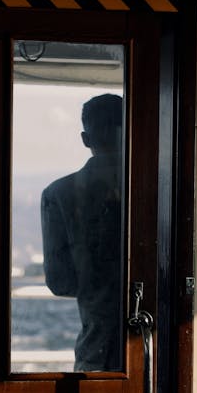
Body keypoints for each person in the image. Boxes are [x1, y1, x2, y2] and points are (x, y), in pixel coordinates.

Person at [41, 93, 123, 372]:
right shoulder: (161, 188)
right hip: (159, 350)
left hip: (97, 350)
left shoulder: (58, 193)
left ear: (86, 139)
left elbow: (60, 281)